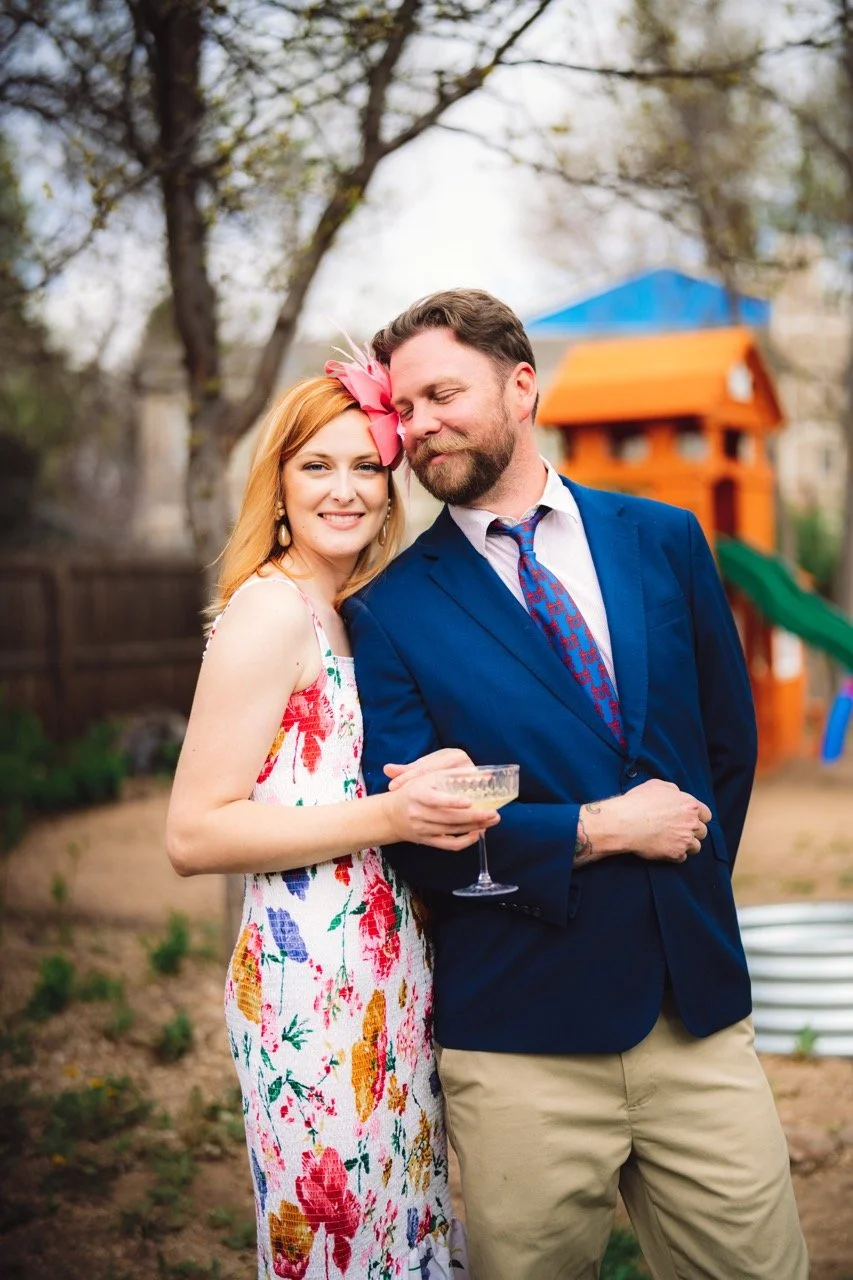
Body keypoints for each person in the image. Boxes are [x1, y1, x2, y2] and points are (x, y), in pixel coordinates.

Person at [342, 289, 808, 1280]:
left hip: (696, 1020)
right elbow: (421, 828)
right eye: (404, 406)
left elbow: (724, 746)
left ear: (521, 384)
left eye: (440, 393)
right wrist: (600, 829)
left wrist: (679, 880)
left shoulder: (665, 539)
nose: (418, 425)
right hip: (522, 1042)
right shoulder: (386, 610)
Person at [165, 370, 482, 1279]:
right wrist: (389, 813)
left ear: (391, 488)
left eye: (366, 466)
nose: (343, 489)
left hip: (389, 972)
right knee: (342, 1250)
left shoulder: (351, 614)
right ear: (280, 483)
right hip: (311, 988)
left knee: (402, 1232)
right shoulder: (270, 611)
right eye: (316, 465)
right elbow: (193, 835)